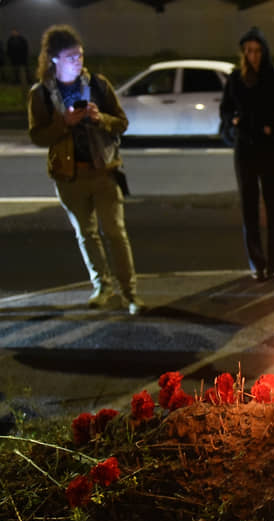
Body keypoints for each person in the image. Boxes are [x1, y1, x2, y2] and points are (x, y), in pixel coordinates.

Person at [27, 25, 144, 314]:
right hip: (69, 176)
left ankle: (130, 294)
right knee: (86, 234)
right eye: (70, 57)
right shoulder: (41, 94)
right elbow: (37, 135)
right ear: (54, 59)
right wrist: (63, 124)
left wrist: (99, 117)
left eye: (79, 56)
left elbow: (122, 123)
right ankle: (102, 286)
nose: (78, 61)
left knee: (115, 232)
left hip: (104, 170)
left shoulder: (99, 85)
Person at [220, 27, 274, 281]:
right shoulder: (235, 79)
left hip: (268, 146)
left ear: (264, 51)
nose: (253, 56)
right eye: (248, 51)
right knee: (249, 206)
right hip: (244, 148)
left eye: (257, 50)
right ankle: (257, 263)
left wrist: (272, 127)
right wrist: (234, 123)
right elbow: (225, 111)